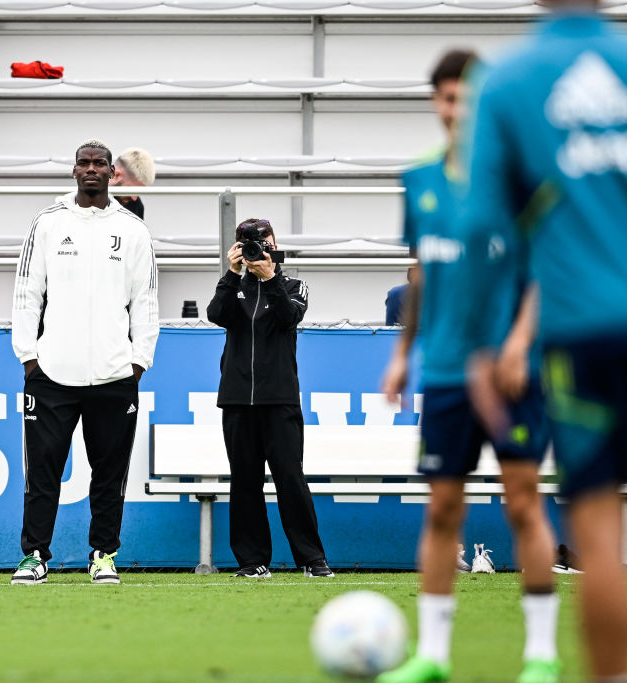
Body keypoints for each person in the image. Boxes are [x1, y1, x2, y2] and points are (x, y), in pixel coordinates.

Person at [457, 4, 627, 680]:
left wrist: (476, 346)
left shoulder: (509, 80)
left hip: (581, 332)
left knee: (595, 524)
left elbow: (480, 232)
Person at [378, 50, 559, 683]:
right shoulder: (419, 180)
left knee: (523, 505)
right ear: (436, 103)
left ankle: (540, 655)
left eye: (469, 99)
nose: (458, 110)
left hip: (512, 374)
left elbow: (541, 275)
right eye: (449, 98)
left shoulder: (520, 181)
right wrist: (403, 355)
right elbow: (421, 273)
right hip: (447, 374)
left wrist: (517, 345)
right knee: (442, 509)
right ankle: (431, 656)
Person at [10, 139, 159, 585]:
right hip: (52, 375)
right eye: (84, 162)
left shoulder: (132, 229)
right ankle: (35, 556)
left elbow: (146, 300)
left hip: (115, 376)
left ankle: (103, 556)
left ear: (113, 172)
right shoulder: (48, 223)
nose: (91, 169)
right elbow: (26, 293)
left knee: (110, 476)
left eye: (100, 164)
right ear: (73, 170)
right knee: (42, 472)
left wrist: (138, 362)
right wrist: (29, 357)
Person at [206, 218, 333, 580]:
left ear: (275, 244)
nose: (256, 249)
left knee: (290, 478)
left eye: (262, 241)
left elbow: (289, 317)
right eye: (248, 243)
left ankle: (312, 559)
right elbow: (217, 315)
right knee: (244, 481)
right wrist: (232, 274)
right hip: (236, 400)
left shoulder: (293, 284)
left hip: (280, 400)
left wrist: (270, 278)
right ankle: (252, 561)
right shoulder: (233, 285)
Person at [111, 147, 156, 220]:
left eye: (138, 192)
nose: (134, 198)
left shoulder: (135, 205)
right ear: (116, 176)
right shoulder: (87, 201)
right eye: (131, 190)